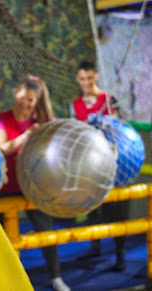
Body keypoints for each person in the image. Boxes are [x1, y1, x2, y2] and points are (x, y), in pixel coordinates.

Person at [0, 76, 70, 291]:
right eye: (22, 97)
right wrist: (26, 135)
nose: (25, 103)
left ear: (36, 102)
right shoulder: (3, 118)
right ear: (15, 93)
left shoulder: (43, 122)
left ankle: (56, 277)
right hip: (6, 186)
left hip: (33, 187)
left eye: (30, 100)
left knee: (45, 231)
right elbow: (2, 148)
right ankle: (4, 279)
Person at [72, 61, 128, 271]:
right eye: (82, 79)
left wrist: (106, 124)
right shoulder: (76, 104)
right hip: (89, 164)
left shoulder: (109, 99)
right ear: (78, 79)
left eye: (90, 78)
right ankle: (94, 246)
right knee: (92, 208)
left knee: (114, 210)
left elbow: (121, 129)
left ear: (96, 76)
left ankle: (120, 254)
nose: (86, 83)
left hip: (111, 163)